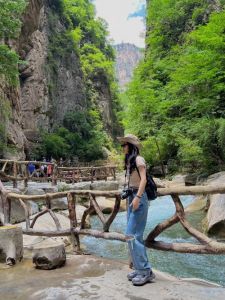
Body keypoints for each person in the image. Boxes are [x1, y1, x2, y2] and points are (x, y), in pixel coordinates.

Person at [117, 133, 155, 286]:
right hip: (131, 197)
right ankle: (140, 269)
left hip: (139, 198)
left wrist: (138, 198)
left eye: (124, 145)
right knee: (132, 236)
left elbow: (144, 179)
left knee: (131, 234)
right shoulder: (129, 162)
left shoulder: (139, 159)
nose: (122, 148)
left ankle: (145, 271)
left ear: (131, 146)